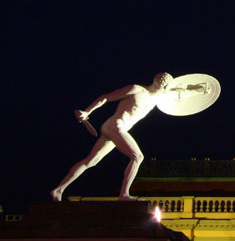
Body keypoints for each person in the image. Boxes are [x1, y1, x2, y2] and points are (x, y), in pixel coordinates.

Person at [51, 72, 204, 201]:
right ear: (156, 81)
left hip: (118, 129)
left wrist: (200, 89)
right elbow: (107, 97)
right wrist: (87, 111)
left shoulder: (160, 98)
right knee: (138, 157)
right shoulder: (136, 89)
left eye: (164, 82)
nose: (162, 84)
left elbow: (181, 92)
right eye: (161, 80)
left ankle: (58, 189)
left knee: (91, 161)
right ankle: (124, 194)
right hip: (115, 126)